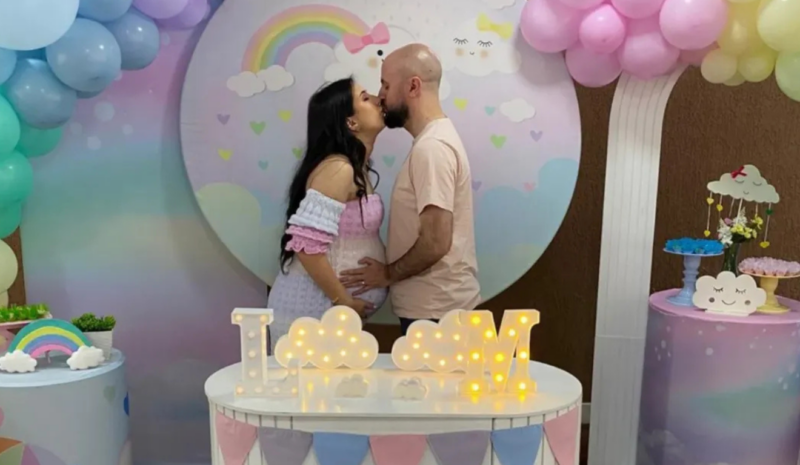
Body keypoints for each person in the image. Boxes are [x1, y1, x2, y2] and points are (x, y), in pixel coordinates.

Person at [340, 44, 480, 335]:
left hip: (436, 312)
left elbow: (435, 241)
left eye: (386, 85)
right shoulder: (431, 143)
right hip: (434, 309)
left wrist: (387, 274)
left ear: (413, 87)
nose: (380, 95)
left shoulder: (432, 148)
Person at [267, 77, 388, 351]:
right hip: (311, 312)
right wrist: (344, 301)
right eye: (365, 97)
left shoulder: (356, 168)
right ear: (351, 122)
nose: (378, 98)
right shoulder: (338, 169)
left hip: (332, 315)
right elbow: (306, 246)